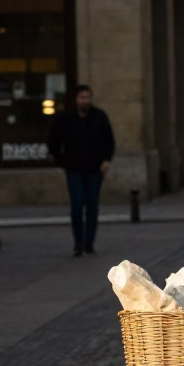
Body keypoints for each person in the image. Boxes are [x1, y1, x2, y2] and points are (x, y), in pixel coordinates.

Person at [48, 84, 115, 257]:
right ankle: (78, 241)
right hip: (74, 169)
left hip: (94, 169)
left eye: (87, 97)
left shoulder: (99, 117)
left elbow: (108, 140)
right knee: (77, 205)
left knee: (92, 206)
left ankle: (88, 242)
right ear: (76, 99)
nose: (85, 101)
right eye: (82, 97)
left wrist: (106, 160)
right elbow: (54, 141)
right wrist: (63, 161)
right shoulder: (65, 118)